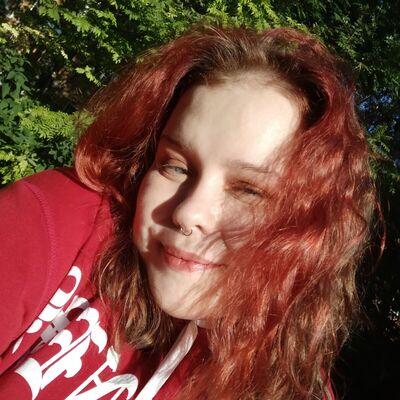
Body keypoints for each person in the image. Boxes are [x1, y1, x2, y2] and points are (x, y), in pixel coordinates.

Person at [0, 25, 377, 399]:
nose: (188, 213)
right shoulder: (56, 225)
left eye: (248, 190)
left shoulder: (289, 383)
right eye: (175, 166)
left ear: (310, 228)